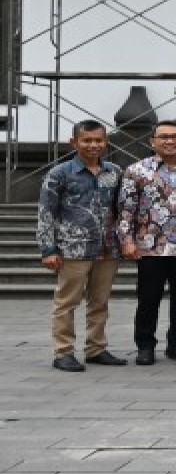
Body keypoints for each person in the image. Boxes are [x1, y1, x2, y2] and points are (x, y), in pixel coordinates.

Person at [38, 119, 125, 372]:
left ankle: (96, 348)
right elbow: (46, 213)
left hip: (107, 247)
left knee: (100, 301)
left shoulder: (115, 172)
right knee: (67, 301)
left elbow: (121, 209)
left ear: (106, 142)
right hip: (73, 248)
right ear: (74, 142)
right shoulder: (59, 174)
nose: (93, 145)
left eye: (98, 140)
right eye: (87, 140)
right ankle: (63, 351)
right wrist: (48, 249)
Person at [116, 119, 176, 365]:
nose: (170, 141)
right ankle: (145, 345)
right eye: (163, 137)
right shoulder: (136, 171)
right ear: (152, 141)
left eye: (175, 136)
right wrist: (126, 240)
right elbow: (126, 210)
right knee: (148, 299)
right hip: (149, 245)